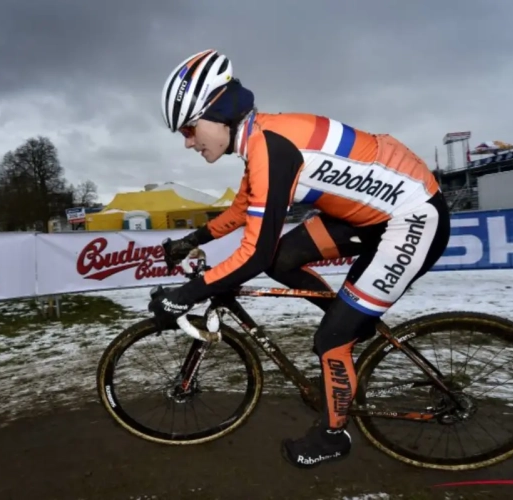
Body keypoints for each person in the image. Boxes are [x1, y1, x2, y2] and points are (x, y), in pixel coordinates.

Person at [148, 49, 451, 469]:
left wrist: (187, 292)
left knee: (329, 338)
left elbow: (251, 253)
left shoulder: (271, 147)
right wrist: (192, 240)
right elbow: (242, 211)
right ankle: (348, 319)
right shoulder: (260, 139)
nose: (187, 142)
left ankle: (333, 434)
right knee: (283, 258)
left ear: (217, 114)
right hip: (372, 215)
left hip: (411, 219)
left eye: (188, 128)